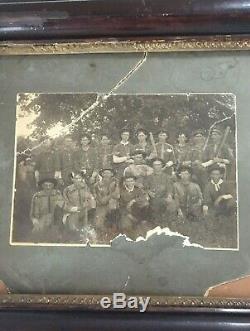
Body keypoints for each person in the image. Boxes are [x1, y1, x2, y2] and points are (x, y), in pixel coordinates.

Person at [144, 158, 175, 226]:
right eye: (155, 165)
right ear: (152, 166)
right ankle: (156, 224)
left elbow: (170, 188)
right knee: (154, 206)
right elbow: (145, 188)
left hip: (164, 197)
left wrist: (169, 196)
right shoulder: (149, 177)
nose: (157, 167)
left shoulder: (167, 177)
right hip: (153, 198)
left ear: (162, 165)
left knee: (172, 204)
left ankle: (168, 224)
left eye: (159, 165)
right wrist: (148, 192)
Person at [93, 168, 120, 237]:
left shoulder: (116, 183)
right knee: (98, 224)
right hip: (101, 206)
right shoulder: (97, 185)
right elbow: (100, 199)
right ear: (102, 174)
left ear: (112, 174)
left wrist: (109, 197)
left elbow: (117, 195)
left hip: (113, 206)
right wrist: (110, 196)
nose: (107, 174)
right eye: (105, 173)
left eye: (109, 173)